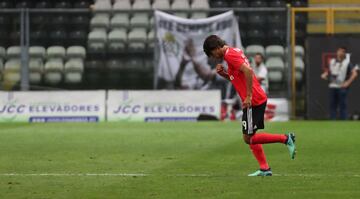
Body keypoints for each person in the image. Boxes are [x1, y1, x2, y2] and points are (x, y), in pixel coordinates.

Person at [203, 35, 296, 176]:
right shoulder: (234, 51)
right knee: (250, 136)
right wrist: (225, 74)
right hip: (253, 99)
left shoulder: (230, 56)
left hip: (254, 100)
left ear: (216, 48)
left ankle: (285, 139)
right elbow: (237, 77)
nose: (213, 57)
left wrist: (248, 96)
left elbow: (248, 71)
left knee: (248, 138)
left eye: (212, 54)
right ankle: (264, 168)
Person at [321, 47, 358, 120]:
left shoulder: (347, 63)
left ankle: (343, 123)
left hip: (342, 87)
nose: (340, 53)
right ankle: (333, 123)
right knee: (332, 106)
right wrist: (325, 74)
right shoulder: (332, 62)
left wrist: (347, 82)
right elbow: (329, 72)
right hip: (332, 86)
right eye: (339, 51)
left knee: (342, 106)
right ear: (337, 52)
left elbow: (354, 74)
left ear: (344, 53)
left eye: (342, 51)